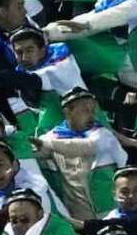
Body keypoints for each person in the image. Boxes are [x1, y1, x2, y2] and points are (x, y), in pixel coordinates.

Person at [32, 86, 128, 220]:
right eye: (85, 110)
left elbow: (88, 147)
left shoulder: (103, 134)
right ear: (67, 112)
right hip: (79, 215)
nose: (91, 115)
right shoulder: (51, 137)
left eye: (93, 110)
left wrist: (49, 145)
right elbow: (34, 154)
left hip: (111, 211)